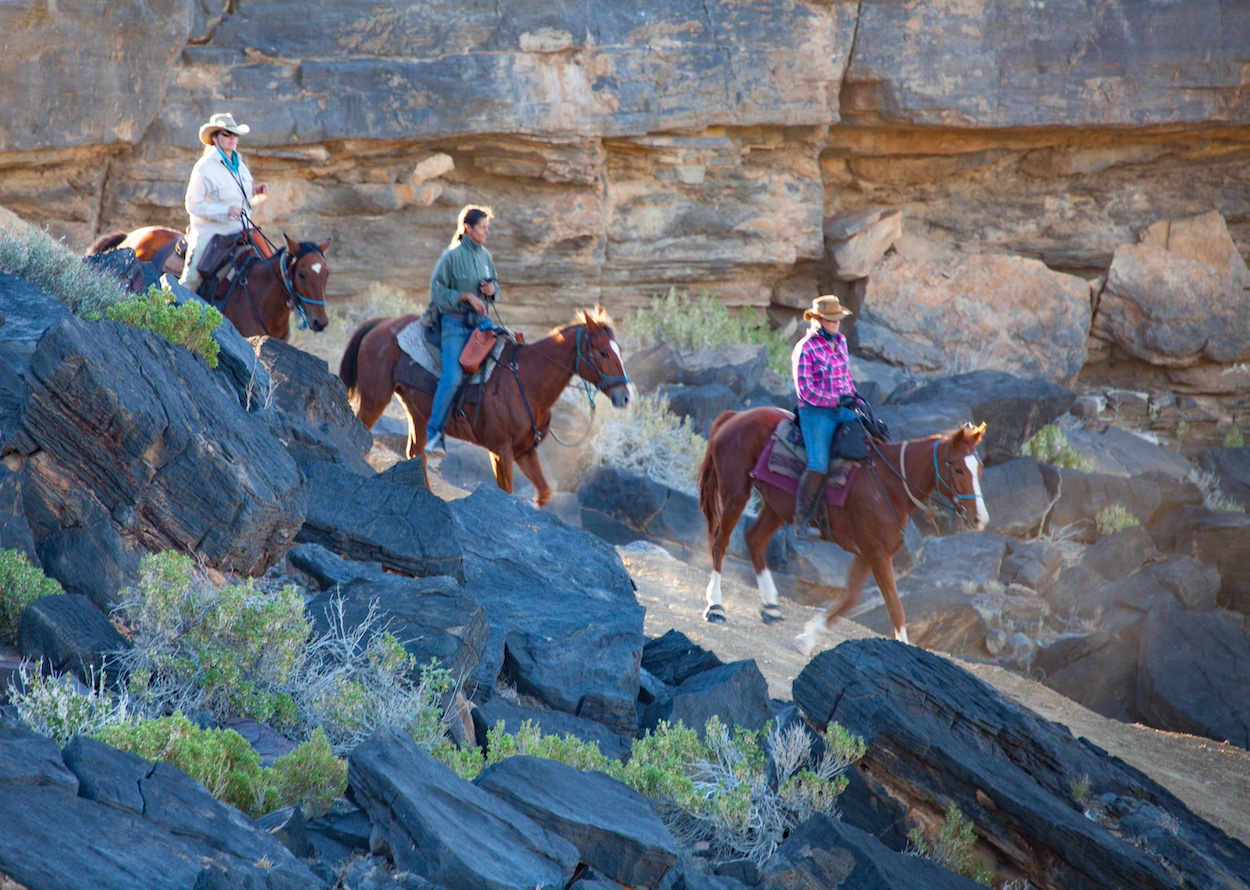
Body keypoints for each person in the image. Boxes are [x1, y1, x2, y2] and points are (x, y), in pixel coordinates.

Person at [423, 204, 500, 458]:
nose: (487, 233)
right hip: (454, 325)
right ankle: (434, 435)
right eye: (483, 228)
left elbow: (495, 287)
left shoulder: (486, 256)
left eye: (488, 228)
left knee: (509, 358)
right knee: (453, 377)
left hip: (480, 324)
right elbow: (437, 292)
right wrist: (466, 296)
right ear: (468, 228)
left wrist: (492, 292)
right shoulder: (451, 256)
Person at [179, 112, 269, 295]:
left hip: (240, 231)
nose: (232, 139)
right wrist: (225, 210)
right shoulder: (205, 167)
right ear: (215, 138)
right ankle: (172, 313)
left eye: (234, 135)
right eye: (226, 135)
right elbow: (192, 204)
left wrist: (255, 191)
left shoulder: (239, 164)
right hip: (212, 233)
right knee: (192, 279)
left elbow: (236, 195)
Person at [791, 295, 860, 537]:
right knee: (818, 464)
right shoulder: (805, 348)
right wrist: (834, 400)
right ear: (818, 320)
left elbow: (846, 378)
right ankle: (801, 517)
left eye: (838, 320)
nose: (836, 324)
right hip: (816, 412)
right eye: (831, 320)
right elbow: (805, 391)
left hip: (842, 408)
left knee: (870, 443)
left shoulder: (840, 341)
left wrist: (855, 399)